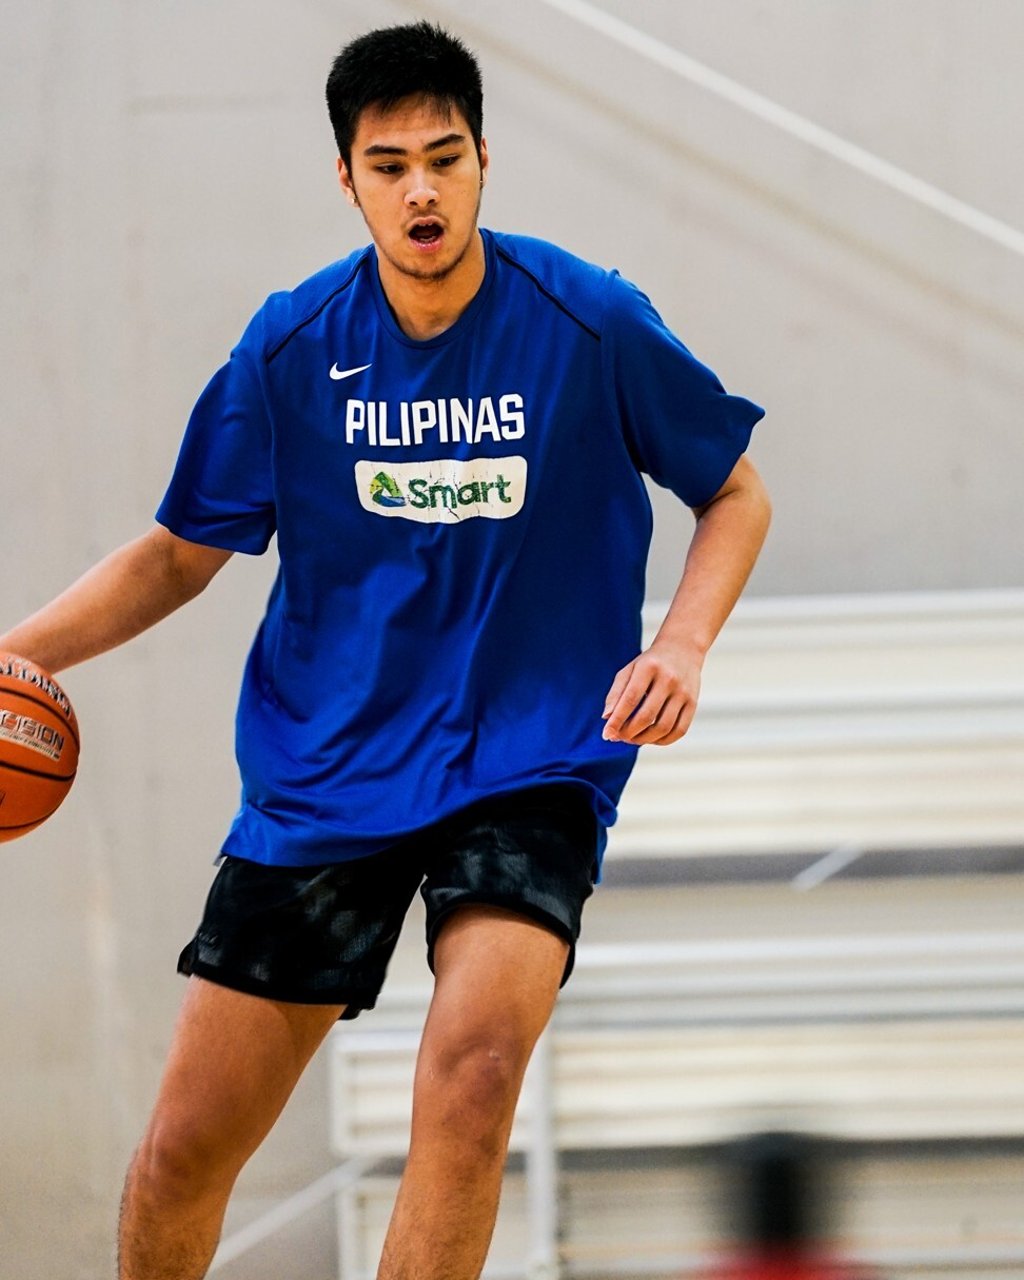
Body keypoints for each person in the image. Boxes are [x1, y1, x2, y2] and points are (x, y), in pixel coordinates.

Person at [0, 21, 771, 1280]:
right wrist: (13, 655)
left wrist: (681, 645)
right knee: (182, 1152)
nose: (421, 187)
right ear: (347, 179)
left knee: (470, 1082)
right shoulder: (292, 345)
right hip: (328, 771)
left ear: (482, 165)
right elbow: (174, 552)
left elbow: (734, 492)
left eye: (445, 156)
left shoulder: (591, 321)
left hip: (529, 760)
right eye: (390, 162)